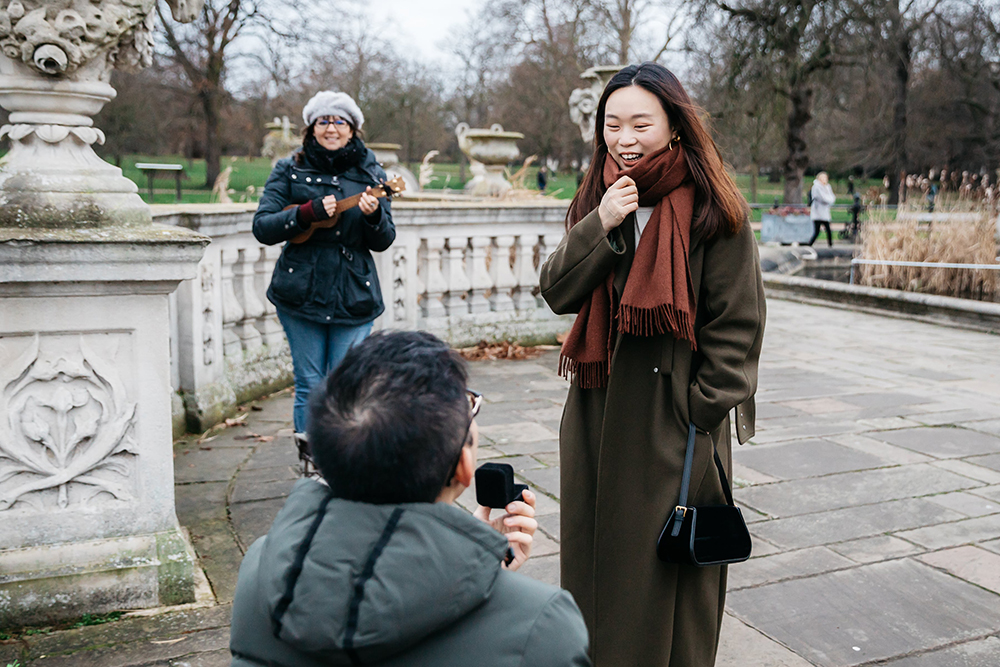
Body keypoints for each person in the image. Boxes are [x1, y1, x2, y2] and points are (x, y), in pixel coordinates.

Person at [539, 62, 765, 666]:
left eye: (641, 122)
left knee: (666, 577)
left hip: (674, 425)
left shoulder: (715, 209)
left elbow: (738, 327)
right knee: (596, 562)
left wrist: (697, 409)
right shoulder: (600, 194)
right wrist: (604, 221)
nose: (625, 138)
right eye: (613, 124)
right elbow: (556, 289)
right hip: (596, 415)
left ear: (674, 127)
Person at [229, 330, 591, 667]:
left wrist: (471, 560)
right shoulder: (542, 627)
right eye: (470, 406)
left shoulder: (261, 571)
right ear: (464, 465)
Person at [252, 91, 395, 440]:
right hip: (300, 290)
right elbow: (263, 227)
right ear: (312, 128)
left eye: (339, 122)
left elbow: (384, 239)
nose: (331, 128)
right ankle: (312, 467)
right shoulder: (290, 168)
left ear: (352, 129)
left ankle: (341, 464)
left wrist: (374, 216)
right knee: (310, 384)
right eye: (324, 121)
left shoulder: (372, 173)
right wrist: (306, 213)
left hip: (353, 293)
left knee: (344, 384)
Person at [809, 171, 836, 247]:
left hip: (824, 212)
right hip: (818, 212)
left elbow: (832, 197)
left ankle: (830, 244)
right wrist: (828, 200)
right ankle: (810, 244)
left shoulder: (827, 187)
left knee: (828, 229)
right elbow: (822, 198)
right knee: (817, 230)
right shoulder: (816, 187)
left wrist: (830, 200)